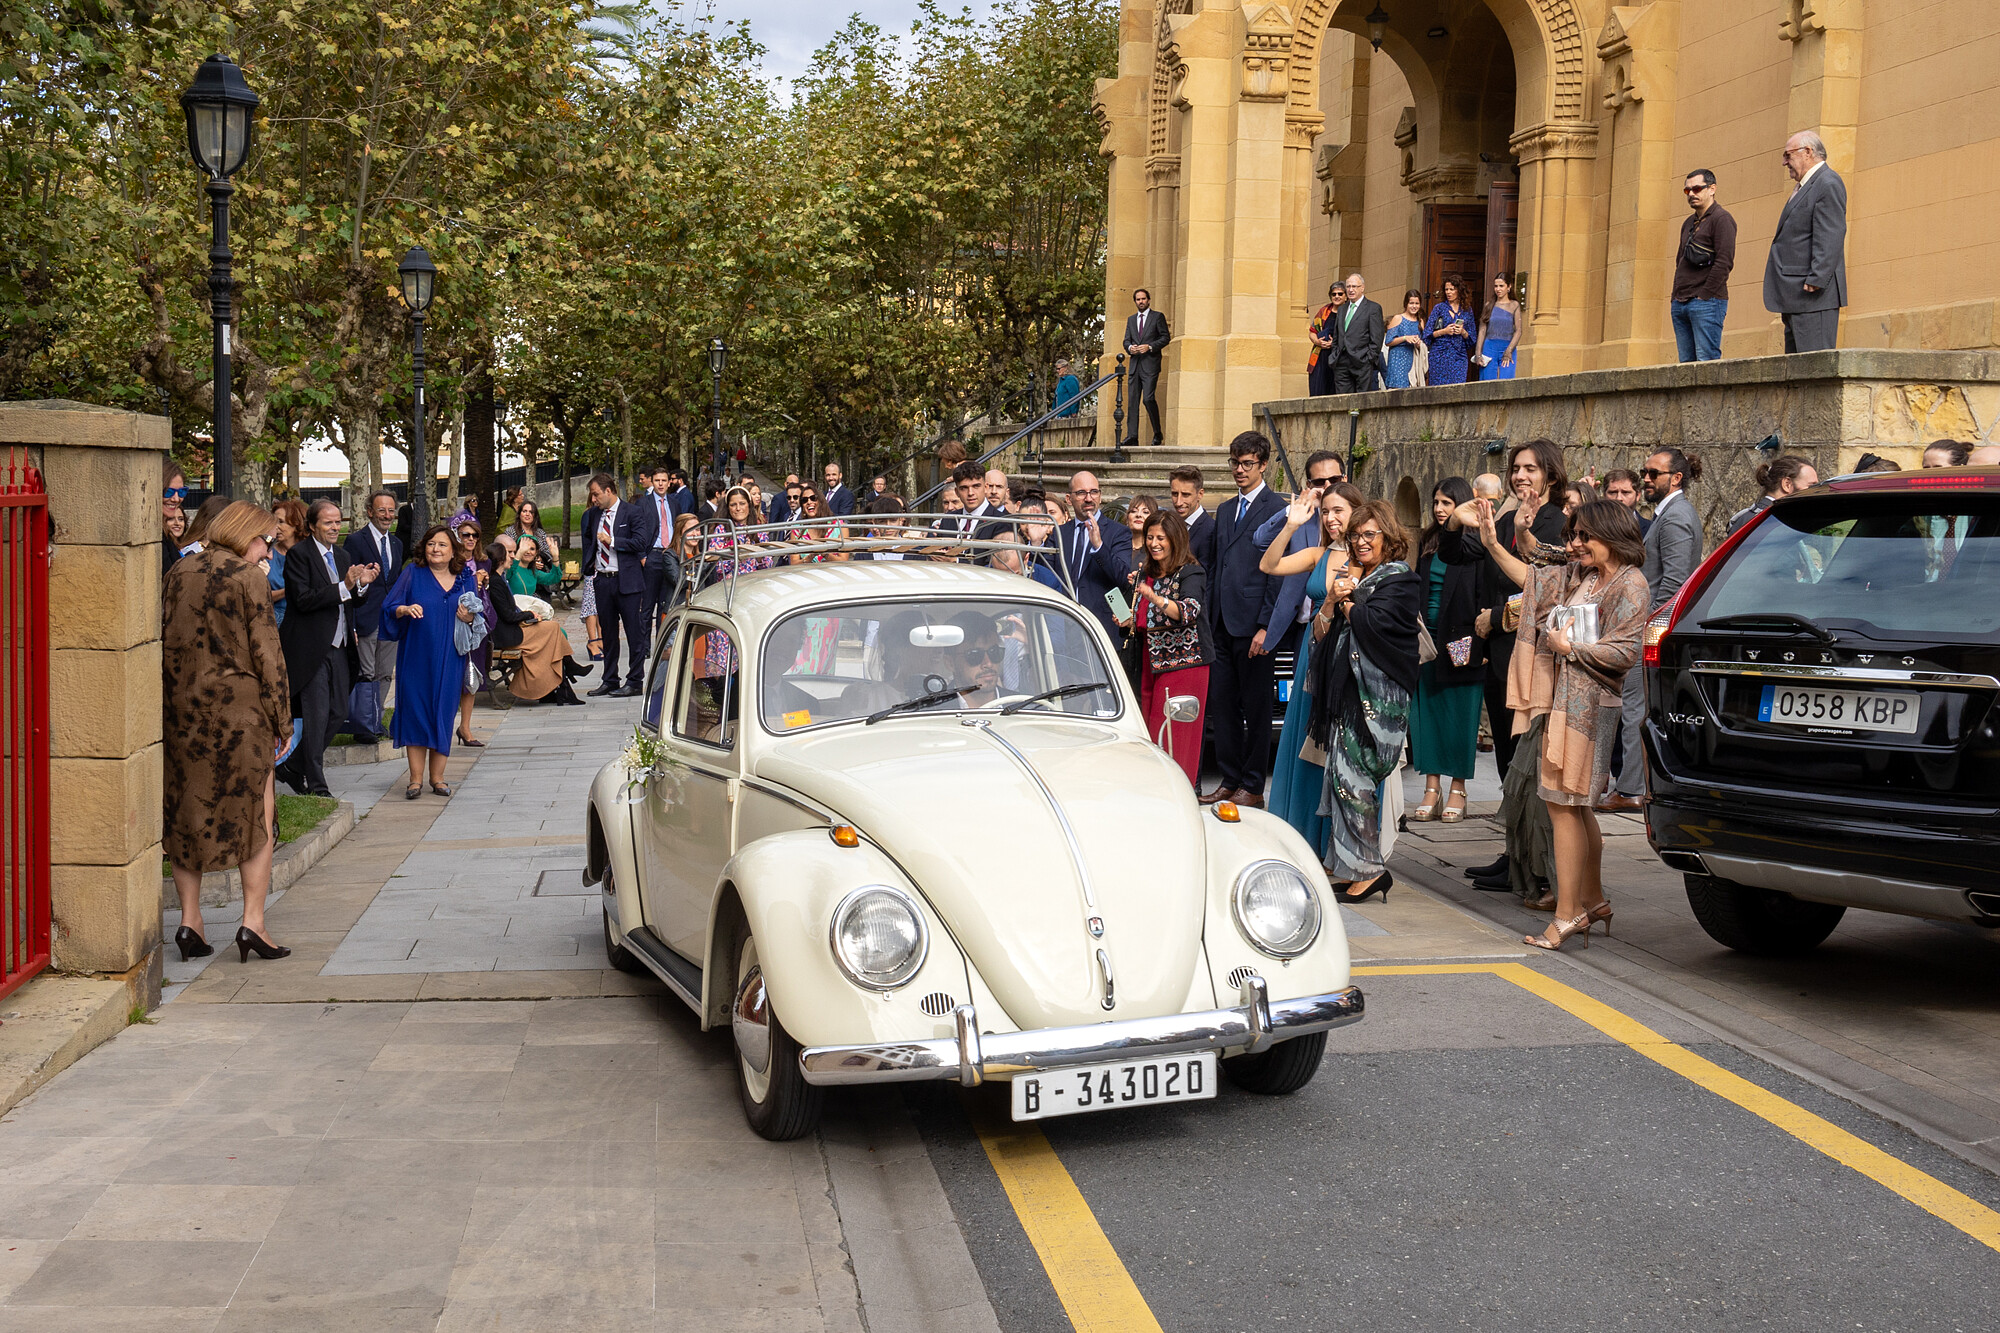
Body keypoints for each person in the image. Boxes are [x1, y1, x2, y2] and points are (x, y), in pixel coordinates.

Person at [1475, 498, 1651, 951]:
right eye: (1572, 535)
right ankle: (1591, 901)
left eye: (1583, 536)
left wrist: (1566, 647)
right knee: (1574, 807)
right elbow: (1545, 562)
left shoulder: (1631, 584)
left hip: (1590, 707)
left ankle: (1567, 913)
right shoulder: (1590, 574)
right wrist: (1517, 533)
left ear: (1610, 535)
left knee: (1563, 805)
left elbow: (1624, 654)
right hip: (1570, 701)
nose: (1574, 544)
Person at [163, 500, 294, 964]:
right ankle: (253, 923)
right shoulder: (247, 577)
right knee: (257, 813)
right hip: (241, 716)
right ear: (243, 534)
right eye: (265, 539)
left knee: (186, 810)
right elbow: (268, 655)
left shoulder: (179, 571)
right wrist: (283, 719)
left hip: (183, 712)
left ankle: (189, 921)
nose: (268, 550)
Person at [1454, 440, 1569, 905]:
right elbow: (1472, 560)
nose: (1521, 476)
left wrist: (1497, 616)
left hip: (1534, 656)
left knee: (1525, 763)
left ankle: (1532, 862)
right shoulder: (1507, 516)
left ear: (1551, 477)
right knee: (1505, 760)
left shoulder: (1557, 523)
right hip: (1500, 655)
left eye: (1530, 469)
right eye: (1516, 469)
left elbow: (1546, 588)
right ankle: (1513, 852)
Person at [1306, 499, 1421, 901]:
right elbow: (1321, 633)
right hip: (1347, 695)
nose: (1360, 542)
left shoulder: (1399, 580)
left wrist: (1351, 602)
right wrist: (1333, 600)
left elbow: (1377, 625)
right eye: (1355, 536)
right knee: (1342, 780)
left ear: (1388, 536)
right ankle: (1355, 865)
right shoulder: (1354, 578)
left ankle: (1370, 869)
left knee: (1355, 782)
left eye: (1368, 534)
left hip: (1377, 700)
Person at [1258, 478, 1363, 858]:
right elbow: (1268, 564)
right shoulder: (1319, 554)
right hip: (1312, 653)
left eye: (1339, 510)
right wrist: (1291, 523)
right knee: (1306, 741)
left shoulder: (1369, 557)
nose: (1331, 518)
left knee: (1340, 748)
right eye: (1326, 511)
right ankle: (1302, 837)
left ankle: (1338, 843)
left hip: (1349, 657)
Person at [1604, 448, 1704, 811]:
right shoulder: (1669, 514)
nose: (1645, 478)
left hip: (1650, 634)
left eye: (1652, 473)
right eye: (1644, 472)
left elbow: (1674, 585)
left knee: (1635, 711)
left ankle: (1630, 789)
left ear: (1675, 478)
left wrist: (1644, 631)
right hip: (1648, 631)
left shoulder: (1676, 517)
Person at [1204, 432, 1287, 809]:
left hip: (1254, 623)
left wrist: (1266, 625)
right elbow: (1217, 566)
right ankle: (1230, 777)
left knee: (1256, 708)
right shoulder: (1223, 510)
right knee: (1222, 705)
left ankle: (1253, 785)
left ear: (1264, 465)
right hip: (1221, 622)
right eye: (1235, 463)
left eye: (1247, 464)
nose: (1239, 470)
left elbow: (1277, 574)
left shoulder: (1278, 508)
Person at [276, 499, 377, 798]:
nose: (335, 528)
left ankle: (293, 766)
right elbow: (303, 600)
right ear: (311, 525)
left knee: (339, 711)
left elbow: (352, 601)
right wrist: (345, 587)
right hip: (310, 648)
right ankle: (317, 785)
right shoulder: (299, 555)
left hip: (340, 645)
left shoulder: (344, 555)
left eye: (338, 522)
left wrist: (361, 585)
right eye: (328, 523)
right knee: (317, 716)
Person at [381, 525, 482, 797]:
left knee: (443, 713)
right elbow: (389, 607)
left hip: (451, 657)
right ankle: (415, 779)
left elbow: (479, 616)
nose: (435, 549)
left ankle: (438, 778)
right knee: (415, 712)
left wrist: (469, 618)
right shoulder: (413, 574)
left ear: (453, 552)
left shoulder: (465, 578)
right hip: (416, 657)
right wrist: (403, 609)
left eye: (441, 545)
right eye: (430, 544)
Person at [1409, 478, 1485, 824]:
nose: (1439, 509)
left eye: (1447, 503)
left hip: (1462, 638)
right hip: (1427, 638)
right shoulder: (1427, 540)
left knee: (1460, 716)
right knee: (1429, 715)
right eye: (1436, 502)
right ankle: (1431, 787)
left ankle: (1458, 788)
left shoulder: (1478, 543)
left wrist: (1483, 645)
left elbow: (1485, 594)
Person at [1128, 510, 1211, 785]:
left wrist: (1156, 598)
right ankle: (1157, 791)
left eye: (1160, 537)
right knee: (1155, 732)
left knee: (1177, 737)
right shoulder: (1145, 573)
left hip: (1185, 665)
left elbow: (1188, 611)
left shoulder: (1191, 572)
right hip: (1151, 663)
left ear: (1174, 539)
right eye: (1150, 537)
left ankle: (1180, 791)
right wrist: (1127, 618)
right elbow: (1144, 621)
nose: (1153, 543)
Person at [1763, 130, 1847, 354]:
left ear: (1808, 152)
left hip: (1813, 296)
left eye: (1788, 155)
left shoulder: (1827, 182)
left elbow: (1831, 233)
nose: (1784, 162)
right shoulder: (1807, 185)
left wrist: (1818, 276)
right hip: (1796, 295)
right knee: (1797, 371)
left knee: (1813, 367)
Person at [486, 539, 584, 705]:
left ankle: (557, 688)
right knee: (553, 630)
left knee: (553, 632)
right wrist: (528, 614)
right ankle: (565, 676)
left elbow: (554, 577)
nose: (512, 557)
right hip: (508, 633)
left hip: (517, 623)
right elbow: (508, 614)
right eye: (509, 554)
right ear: (501, 560)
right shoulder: (498, 580)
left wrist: (555, 557)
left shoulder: (518, 575)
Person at [342, 489, 402, 742]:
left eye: (391, 510)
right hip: (365, 618)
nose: (387, 515)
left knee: (385, 673)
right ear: (370, 511)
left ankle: (376, 721)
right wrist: (352, 623)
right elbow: (349, 582)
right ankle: (363, 726)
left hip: (390, 620)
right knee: (365, 673)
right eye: (381, 510)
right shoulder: (356, 541)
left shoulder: (397, 544)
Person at [581, 473, 645, 698]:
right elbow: (588, 543)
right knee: (607, 633)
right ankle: (610, 679)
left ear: (609, 491)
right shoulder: (591, 516)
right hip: (603, 580)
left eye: (597, 494)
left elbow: (641, 542)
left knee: (633, 632)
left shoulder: (632, 512)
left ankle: (635, 681)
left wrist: (614, 541)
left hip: (626, 580)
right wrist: (589, 570)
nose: (594, 499)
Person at [1053, 470, 1131, 641]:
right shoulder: (1059, 533)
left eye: (1093, 492)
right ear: (1069, 498)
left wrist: (1099, 546)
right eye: (1081, 493)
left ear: (1100, 496)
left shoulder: (1118, 532)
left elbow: (1123, 578)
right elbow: (1047, 576)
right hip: (1063, 628)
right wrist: (1036, 544)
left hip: (1101, 628)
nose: (1088, 498)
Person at [1673, 168, 1737, 362]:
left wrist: (1704, 295)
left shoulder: (1722, 219)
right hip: (1681, 302)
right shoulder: (1688, 223)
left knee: (1706, 362)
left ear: (1712, 189)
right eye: (1687, 191)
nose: (1692, 194)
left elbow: (1724, 262)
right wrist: (1676, 297)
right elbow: (1680, 260)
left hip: (1707, 302)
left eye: (1697, 188)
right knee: (1685, 366)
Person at [452, 519, 499, 744]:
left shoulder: (484, 562)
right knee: (454, 676)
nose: (470, 539)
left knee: (473, 675)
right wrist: (474, 581)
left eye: (474, 535)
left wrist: (484, 582)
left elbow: (486, 594)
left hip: (477, 625)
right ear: (457, 536)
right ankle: (447, 724)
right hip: (456, 622)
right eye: (465, 535)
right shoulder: (451, 562)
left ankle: (466, 727)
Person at [1121, 288, 1171, 447]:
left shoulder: (1157, 317)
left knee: (1148, 398)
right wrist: (1130, 348)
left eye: (1143, 299)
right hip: (1135, 365)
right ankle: (1132, 436)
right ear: (1135, 301)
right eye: (1138, 299)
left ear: (1148, 300)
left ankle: (1157, 433)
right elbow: (1126, 341)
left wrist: (1149, 346)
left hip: (1150, 365)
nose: (1141, 302)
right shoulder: (1130, 320)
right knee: (1132, 401)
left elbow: (1165, 338)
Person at [1727, 455, 1819, 535]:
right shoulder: (1775, 521)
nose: (1816, 491)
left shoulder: (1748, 517)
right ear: (1787, 484)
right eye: (1811, 486)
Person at [1330, 273, 1386, 394]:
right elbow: (1337, 335)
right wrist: (1334, 354)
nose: (1351, 290)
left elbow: (1377, 338)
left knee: (1360, 401)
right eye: (1348, 286)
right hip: (1341, 361)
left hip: (1362, 361)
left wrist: (1368, 359)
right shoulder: (1342, 309)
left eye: (1354, 286)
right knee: (1343, 401)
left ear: (1362, 288)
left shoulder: (1373, 308)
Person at [1424, 276, 1476, 386]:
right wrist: (1445, 331)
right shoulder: (1439, 308)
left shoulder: (1467, 310)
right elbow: (1427, 334)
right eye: (1446, 289)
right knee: (1438, 388)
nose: (1448, 292)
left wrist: (1462, 332)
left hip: (1459, 355)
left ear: (1459, 290)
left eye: (1452, 289)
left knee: (1458, 387)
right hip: (1439, 355)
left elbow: (1472, 338)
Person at [1167, 467, 1214, 579]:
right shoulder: (1170, 525)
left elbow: (1207, 579)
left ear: (1200, 494)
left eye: (1185, 495)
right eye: (1174, 494)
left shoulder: (1211, 530)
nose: (1178, 502)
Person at [266, 498, 307, 626]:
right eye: (274, 522)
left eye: (281, 522)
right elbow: (261, 595)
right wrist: (289, 590)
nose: (275, 527)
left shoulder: (308, 555)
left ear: (297, 524)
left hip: (303, 619)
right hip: (273, 620)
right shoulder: (267, 554)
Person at [1477, 275, 1522, 381]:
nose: (1498, 289)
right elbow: (1482, 330)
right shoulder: (1488, 305)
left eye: (1501, 286)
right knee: (1486, 382)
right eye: (1496, 286)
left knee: (1507, 382)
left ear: (1509, 287)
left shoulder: (1514, 305)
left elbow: (1518, 330)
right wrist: (1478, 354)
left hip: (1507, 347)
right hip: (1489, 348)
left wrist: (1509, 350)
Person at [1306, 285, 1345, 397]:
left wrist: (1334, 344)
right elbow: (1312, 331)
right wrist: (1317, 342)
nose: (1337, 296)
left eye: (1340, 294)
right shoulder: (1324, 311)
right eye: (1334, 294)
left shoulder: (1348, 312)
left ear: (1346, 297)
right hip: (1320, 356)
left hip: (1339, 356)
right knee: (1318, 388)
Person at [1383, 290, 1427, 389]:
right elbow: (1388, 341)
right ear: (1406, 304)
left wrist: (1419, 343)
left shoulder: (1420, 321)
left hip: (1413, 360)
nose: (1414, 306)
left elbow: (1424, 341)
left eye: (1417, 303)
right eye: (1411, 303)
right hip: (1397, 361)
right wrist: (1405, 338)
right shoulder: (1398, 318)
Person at [160, 459, 189, 582]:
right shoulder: (158, 535)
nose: (176, 499)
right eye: (168, 492)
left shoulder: (167, 536)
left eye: (181, 492)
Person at [1600, 469, 1650, 534]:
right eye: (1613, 492)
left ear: (1638, 495)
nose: (1619, 498)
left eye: (1625, 492)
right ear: (1604, 495)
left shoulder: (1651, 529)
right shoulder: (1593, 527)